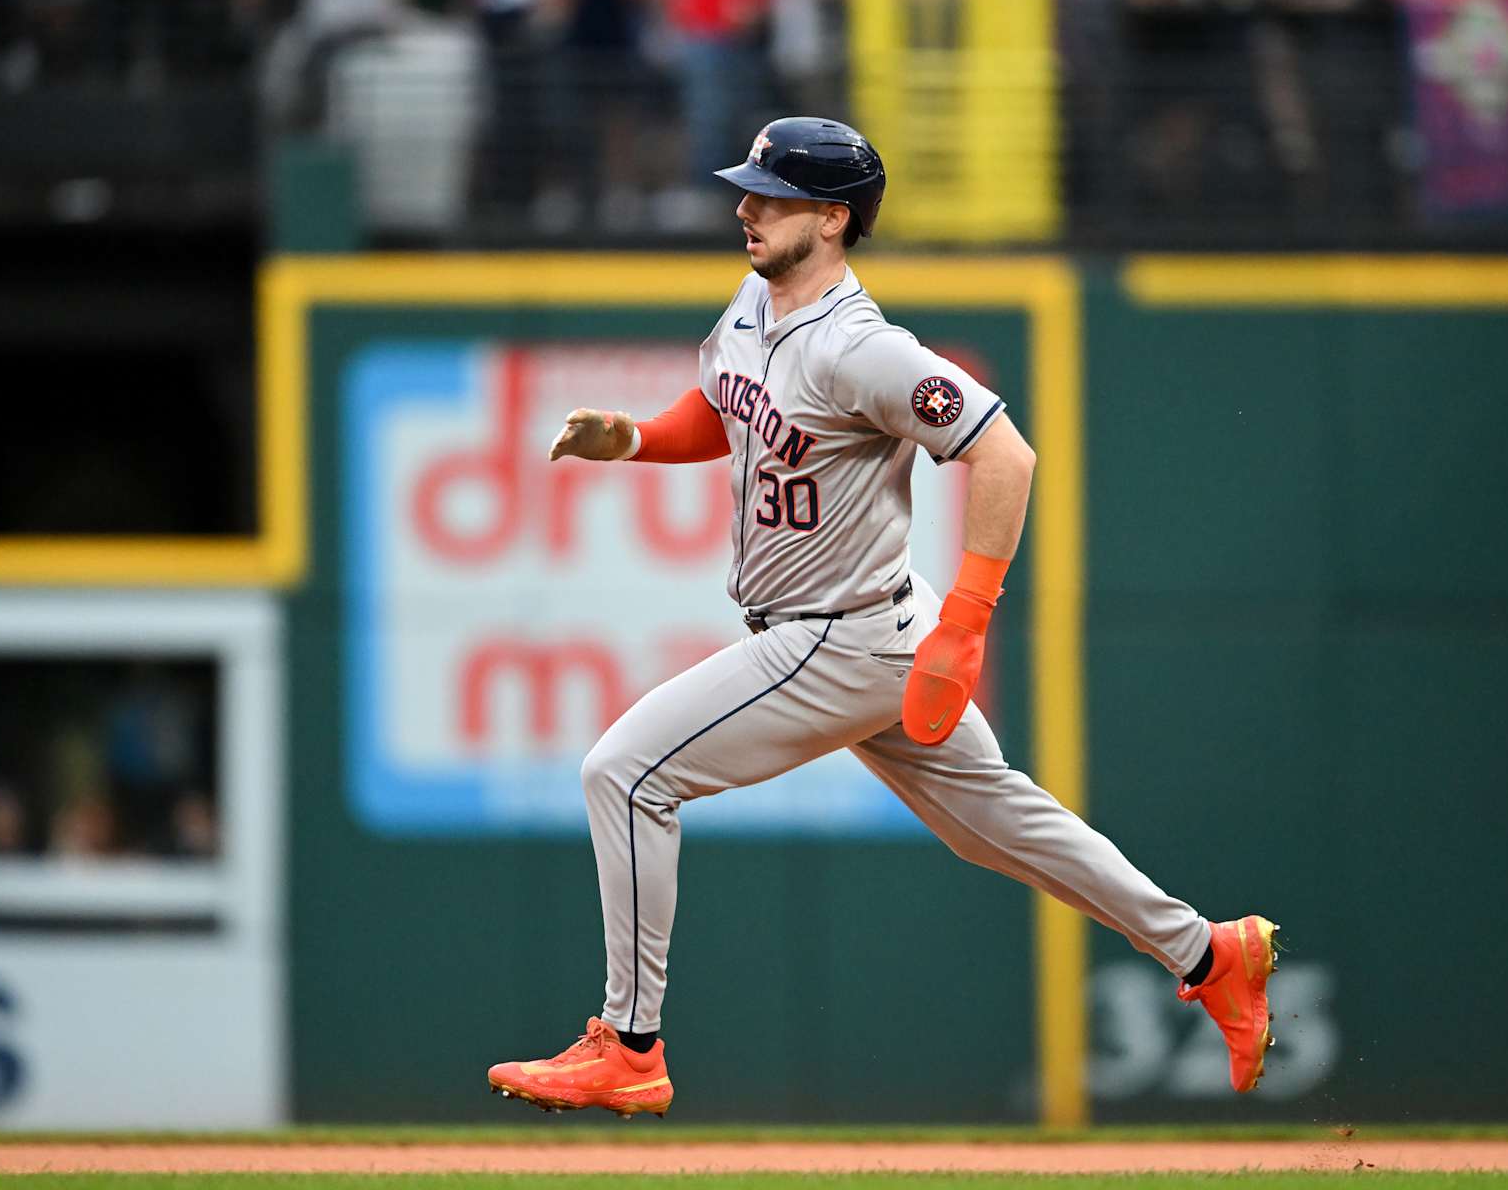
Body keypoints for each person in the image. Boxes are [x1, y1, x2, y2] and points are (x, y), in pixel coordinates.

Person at [486, 116, 1278, 1119]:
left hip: (837, 634)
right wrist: (636, 438)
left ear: (831, 216)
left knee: (625, 773)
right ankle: (1211, 952)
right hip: (854, 633)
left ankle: (630, 1044)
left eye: (770, 196)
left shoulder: (863, 350)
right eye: (747, 190)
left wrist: (971, 620)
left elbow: (1006, 456)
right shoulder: (753, 303)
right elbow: (728, 411)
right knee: (999, 828)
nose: (744, 208)